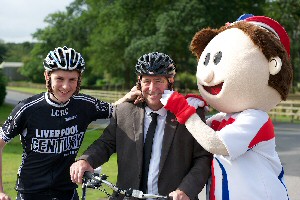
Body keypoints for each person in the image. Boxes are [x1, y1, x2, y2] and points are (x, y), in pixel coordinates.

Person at [0, 46, 138, 200]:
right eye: (59, 79)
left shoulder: (84, 104)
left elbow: (116, 110)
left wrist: (129, 96)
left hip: (67, 192)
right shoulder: (27, 108)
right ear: (47, 76)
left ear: (79, 78)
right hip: (31, 193)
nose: (66, 86)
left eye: (72, 79)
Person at [70, 52, 212, 200]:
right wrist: (85, 160)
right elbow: (105, 143)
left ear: (170, 81)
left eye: (158, 80)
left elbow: (203, 158)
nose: (152, 88)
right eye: (147, 81)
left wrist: (186, 190)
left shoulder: (190, 113)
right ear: (139, 81)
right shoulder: (124, 111)